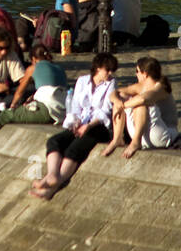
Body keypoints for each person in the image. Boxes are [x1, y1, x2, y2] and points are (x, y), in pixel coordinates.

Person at [29, 53, 119, 200]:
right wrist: (75, 122)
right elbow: (75, 106)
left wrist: (88, 126)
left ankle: (55, 183)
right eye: (107, 70)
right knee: (55, 141)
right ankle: (51, 174)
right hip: (82, 122)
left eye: (111, 71)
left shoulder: (111, 84)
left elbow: (105, 111)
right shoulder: (82, 81)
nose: (109, 74)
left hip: (99, 126)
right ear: (97, 68)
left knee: (74, 149)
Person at [102, 56, 181, 158]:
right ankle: (117, 138)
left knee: (140, 104)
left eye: (137, 71)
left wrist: (123, 106)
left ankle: (136, 142)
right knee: (120, 99)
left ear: (145, 74)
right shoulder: (141, 86)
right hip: (145, 136)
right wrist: (117, 102)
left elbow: (143, 99)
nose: (136, 74)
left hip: (162, 136)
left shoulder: (161, 86)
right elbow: (115, 93)